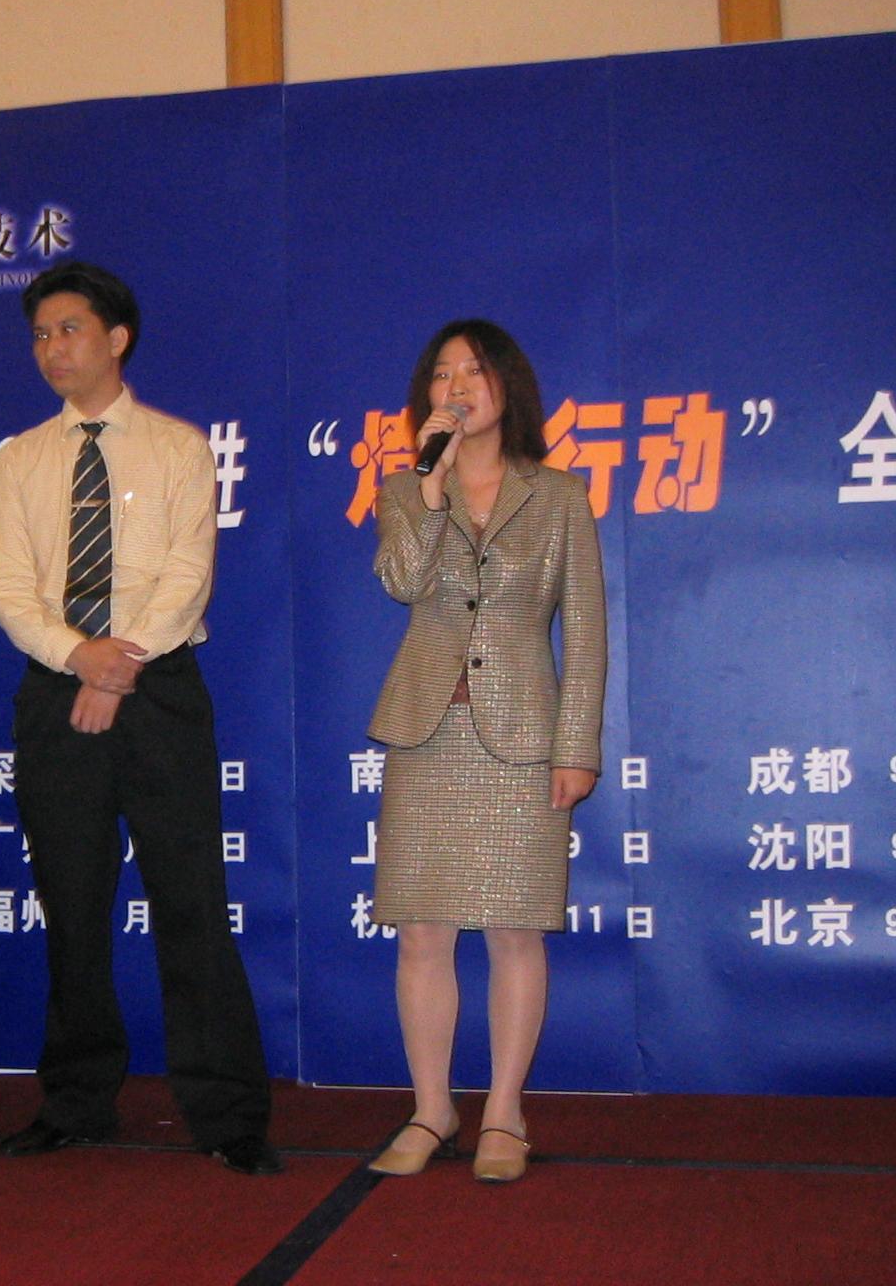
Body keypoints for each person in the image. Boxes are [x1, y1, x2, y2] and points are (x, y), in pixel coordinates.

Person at [0, 261, 280, 1176]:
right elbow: (10, 585)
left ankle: (227, 1114)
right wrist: (80, 658)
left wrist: (119, 667)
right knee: (71, 906)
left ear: (117, 338)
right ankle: (75, 1101)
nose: (52, 348)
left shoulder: (179, 448)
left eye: (69, 329)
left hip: (160, 691)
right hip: (55, 691)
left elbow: (187, 574)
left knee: (191, 903)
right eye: (40, 335)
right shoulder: (20, 458)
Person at [363, 319, 607, 1185]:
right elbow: (402, 582)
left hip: (522, 735)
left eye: (473, 370)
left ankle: (504, 1110)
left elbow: (586, 631)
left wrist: (576, 747)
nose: (457, 385)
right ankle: (431, 1108)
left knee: (514, 929)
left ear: (508, 386)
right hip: (428, 732)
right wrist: (429, 491)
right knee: (422, 932)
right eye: (442, 373)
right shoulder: (404, 491)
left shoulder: (559, 495)